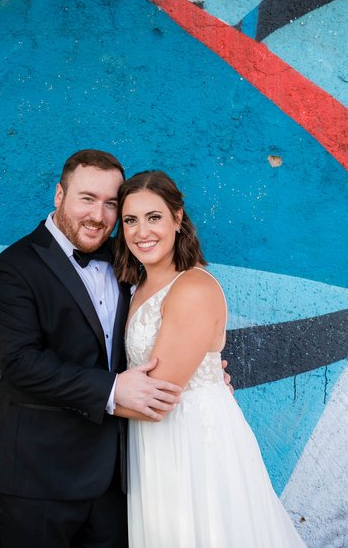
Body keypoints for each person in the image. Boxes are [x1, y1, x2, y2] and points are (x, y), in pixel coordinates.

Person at [0, 149, 186, 548]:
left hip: (116, 477)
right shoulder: (11, 268)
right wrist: (113, 389)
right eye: (87, 199)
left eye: (111, 204)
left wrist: (199, 372)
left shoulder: (128, 259)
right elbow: (21, 363)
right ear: (59, 196)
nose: (98, 216)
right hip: (39, 475)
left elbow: (154, 333)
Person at [114, 170, 306, 547]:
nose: (142, 232)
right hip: (154, 443)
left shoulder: (193, 288)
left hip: (193, 444)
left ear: (178, 218)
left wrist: (75, 400)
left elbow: (159, 398)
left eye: (154, 217)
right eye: (130, 220)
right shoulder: (136, 286)